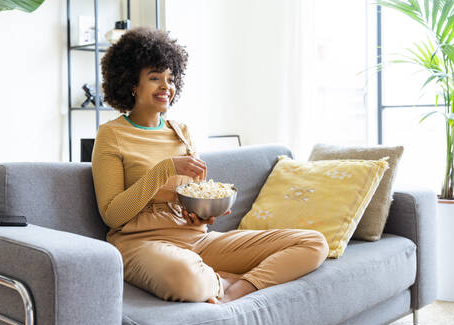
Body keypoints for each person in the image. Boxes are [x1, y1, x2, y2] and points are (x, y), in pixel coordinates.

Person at [92, 27, 329, 304]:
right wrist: (164, 169)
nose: (166, 86)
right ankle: (217, 280)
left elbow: (192, 194)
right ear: (131, 82)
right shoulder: (112, 135)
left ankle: (238, 287)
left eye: (170, 78)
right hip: (141, 245)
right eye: (155, 78)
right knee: (184, 277)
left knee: (313, 243)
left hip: (197, 241)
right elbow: (112, 215)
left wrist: (202, 214)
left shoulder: (180, 131)